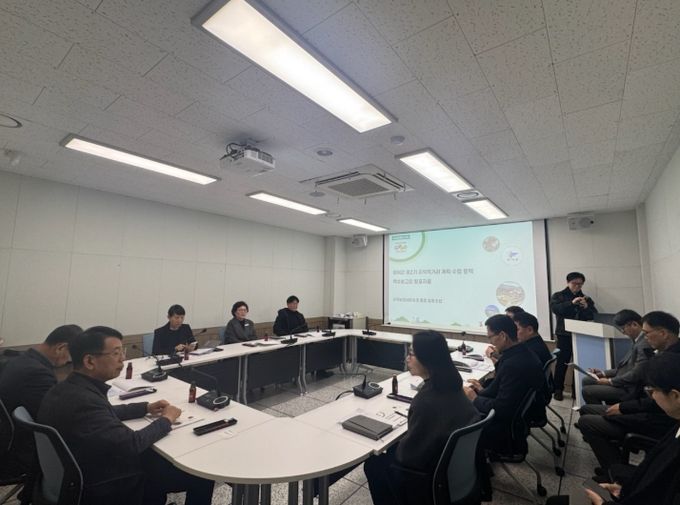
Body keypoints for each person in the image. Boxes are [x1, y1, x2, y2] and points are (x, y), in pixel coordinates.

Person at [37, 326, 214, 505]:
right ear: (90, 361)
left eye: (122, 352)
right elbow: (132, 444)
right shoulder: (84, 401)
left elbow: (105, 413)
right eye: (115, 353)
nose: (123, 358)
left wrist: (145, 407)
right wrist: (166, 419)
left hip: (81, 468)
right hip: (105, 484)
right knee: (201, 476)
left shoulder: (68, 388)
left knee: (157, 456)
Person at [547, 351, 680, 505]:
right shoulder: (675, 426)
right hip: (631, 488)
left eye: (653, 391)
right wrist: (623, 486)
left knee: (556, 502)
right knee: (583, 490)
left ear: (675, 396)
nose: (652, 396)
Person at [364, 331, 479, 505]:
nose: (407, 358)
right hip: (452, 471)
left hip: (428, 478)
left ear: (427, 359)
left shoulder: (427, 401)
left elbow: (408, 456)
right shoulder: (453, 384)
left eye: (411, 354)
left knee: (374, 464)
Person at [577, 311, 680, 475]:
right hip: (640, 405)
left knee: (587, 421)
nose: (645, 337)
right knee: (587, 409)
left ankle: (615, 474)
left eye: (647, 333)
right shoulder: (661, 352)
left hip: (654, 417)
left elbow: (653, 399)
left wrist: (623, 407)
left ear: (663, 333)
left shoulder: (671, 361)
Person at [0, 324, 81, 502]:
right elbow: (57, 419)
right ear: (61, 348)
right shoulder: (38, 374)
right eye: (71, 357)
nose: (69, 363)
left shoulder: (20, 360)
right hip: (20, 456)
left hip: (10, 443)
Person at [464, 314, 544, 455]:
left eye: (490, 337)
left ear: (502, 335)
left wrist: (475, 398)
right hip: (517, 419)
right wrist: (481, 390)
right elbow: (503, 390)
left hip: (503, 430)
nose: (490, 342)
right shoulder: (522, 352)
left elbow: (502, 409)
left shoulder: (513, 365)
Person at [581, 309, 652, 405]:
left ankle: (601, 412)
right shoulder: (637, 340)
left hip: (629, 389)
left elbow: (637, 374)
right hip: (622, 380)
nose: (623, 332)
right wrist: (602, 373)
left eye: (623, 328)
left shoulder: (644, 344)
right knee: (587, 380)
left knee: (587, 391)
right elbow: (624, 367)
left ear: (634, 324)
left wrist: (610, 381)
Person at [550, 272, 598, 400]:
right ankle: (558, 389)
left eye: (580, 284)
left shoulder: (586, 298)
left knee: (579, 363)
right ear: (568, 282)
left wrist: (586, 307)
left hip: (581, 335)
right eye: (574, 283)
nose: (577, 286)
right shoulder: (558, 296)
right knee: (562, 362)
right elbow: (556, 309)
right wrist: (571, 303)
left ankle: (575, 390)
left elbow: (594, 315)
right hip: (564, 334)